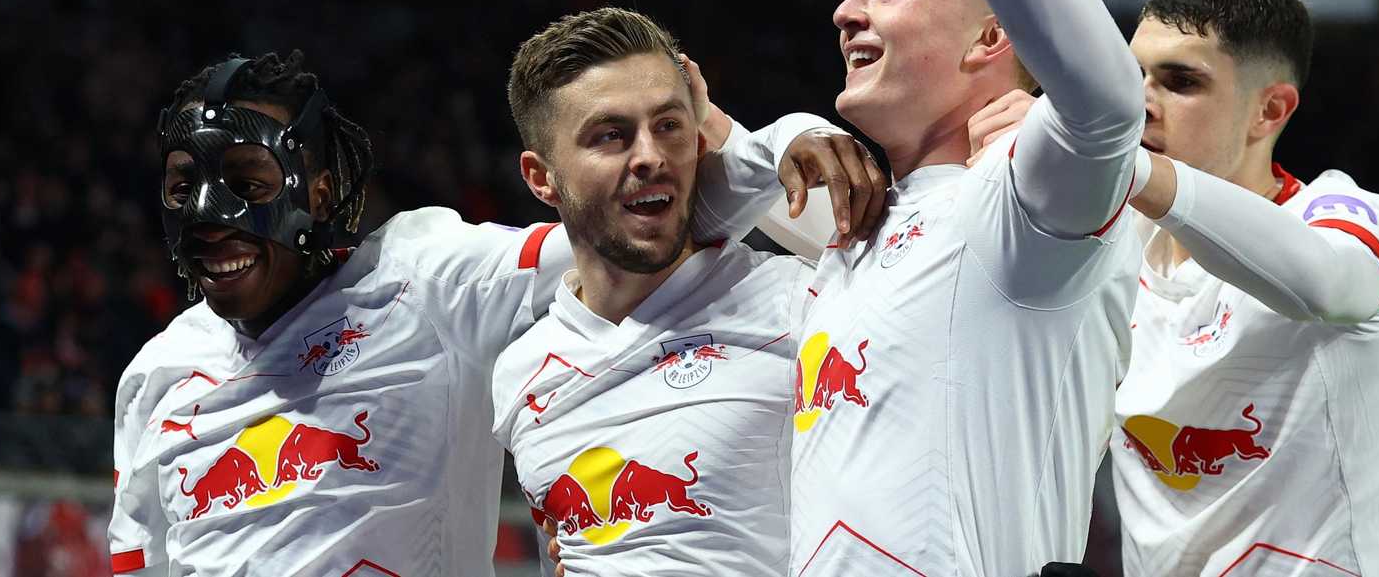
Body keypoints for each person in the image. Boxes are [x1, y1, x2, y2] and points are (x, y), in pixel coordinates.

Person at [107, 50, 874, 576]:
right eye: (184, 187)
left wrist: (769, 145)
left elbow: (617, 225)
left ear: (315, 191)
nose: (211, 215)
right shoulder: (154, 376)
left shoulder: (426, 276)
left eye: (247, 178)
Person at [724, 0, 1149, 573]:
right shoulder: (864, 219)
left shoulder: (1025, 202)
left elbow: (1108, 102)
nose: (846, 11)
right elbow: (693, 153)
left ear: (992, 37)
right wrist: (786, 138)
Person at [493, 8, 870, 576]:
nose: (649, 155)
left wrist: (785, 131)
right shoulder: (519, 374)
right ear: (541, 177)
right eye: (610, 135)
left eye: (668, 125)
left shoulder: (797, 302)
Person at [1114, 0, 1379, 575]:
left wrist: (1127, 169)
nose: (1140, 103)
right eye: (1132, 78)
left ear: (1269, 110)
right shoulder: (1114, 243)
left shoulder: (1346, 218)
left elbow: (1329, 283)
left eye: (1180, 82)